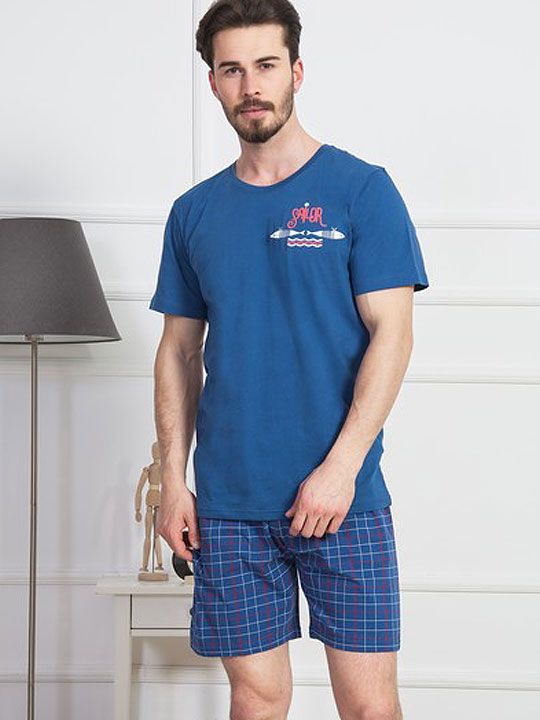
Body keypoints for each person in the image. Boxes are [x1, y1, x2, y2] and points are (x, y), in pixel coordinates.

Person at [150, 1, 429, 718]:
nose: (251, 86)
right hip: (230, 505)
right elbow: (178, 351)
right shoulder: (193, 212)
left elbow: (393, 336)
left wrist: (340, 469)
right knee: (257, 698)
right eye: (232, 70)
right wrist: (173, 484)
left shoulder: (362, 190)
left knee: (369, 707)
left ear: (297, 72)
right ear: (213, 82)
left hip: (344, 499)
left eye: (266, 65)